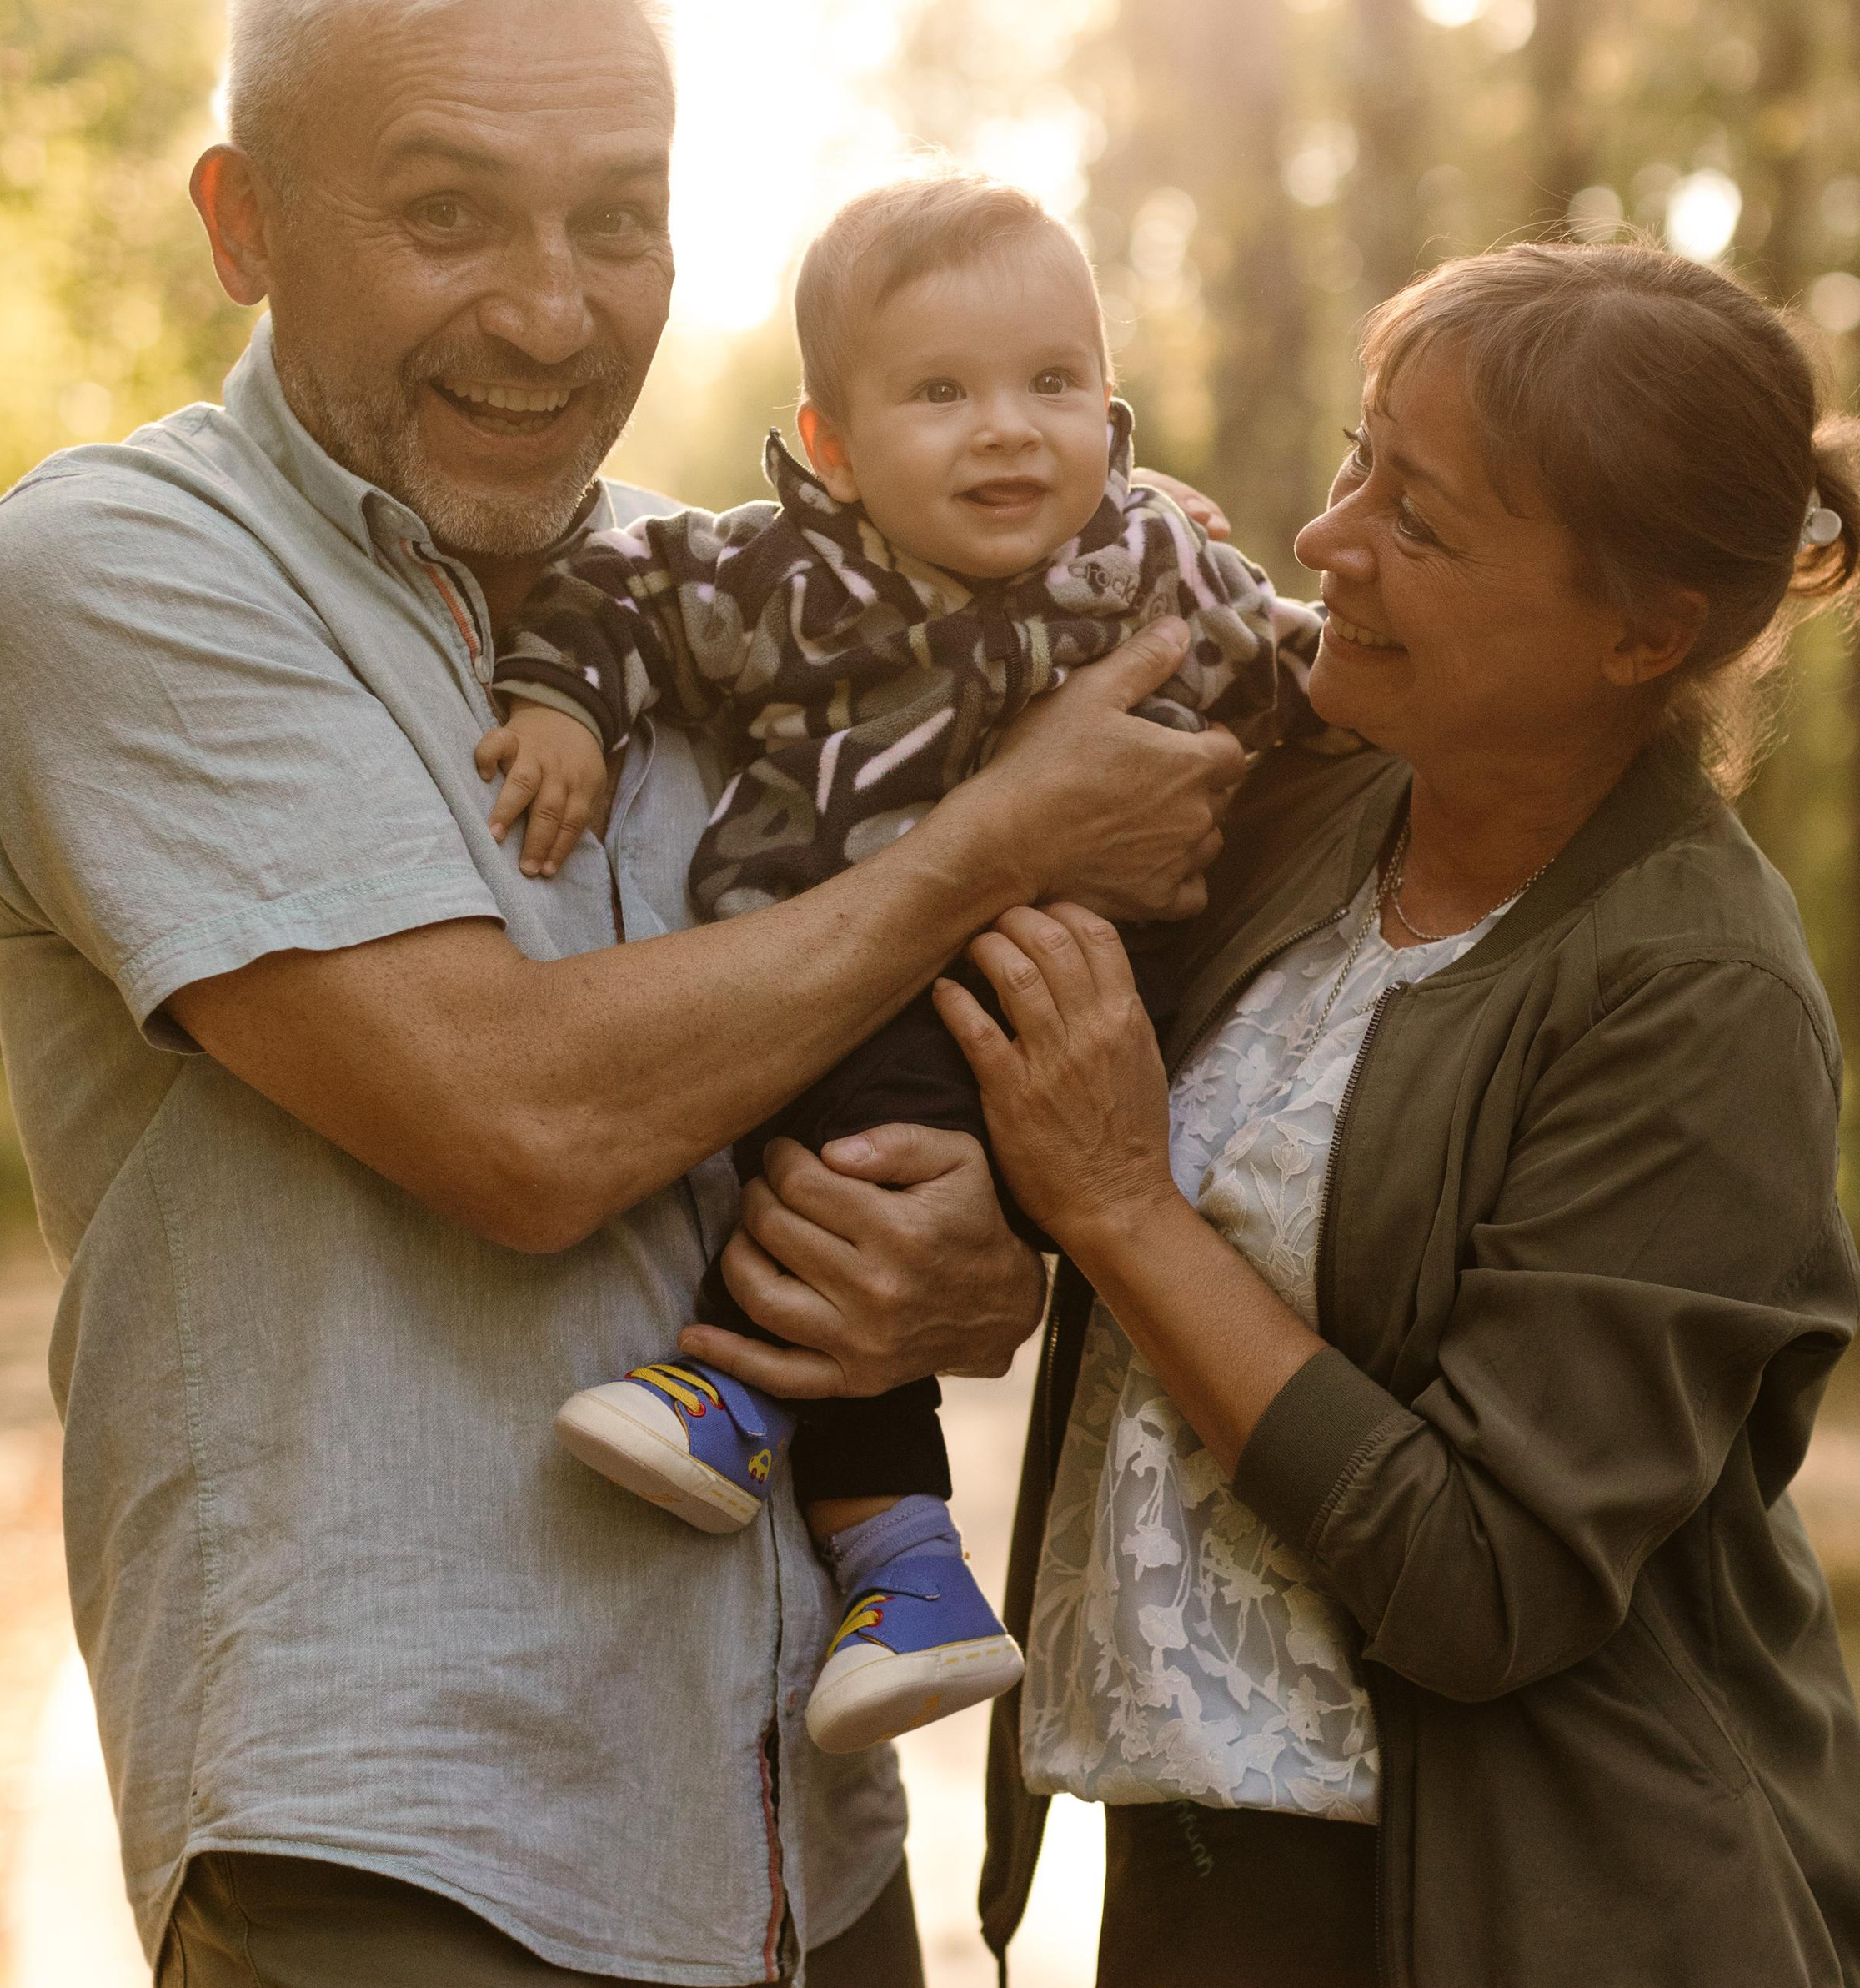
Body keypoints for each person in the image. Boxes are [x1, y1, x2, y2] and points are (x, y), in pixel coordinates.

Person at [0, 0, 1244, 1988]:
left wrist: (977, 1249)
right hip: (395, 1834)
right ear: (244, 219)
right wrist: (988, 832)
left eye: (618, 221)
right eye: (449, 215)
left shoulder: (729, 603)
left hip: (791, 1844)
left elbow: (873, 1087)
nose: (553, 311)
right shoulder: (123, 577)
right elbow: (519, 1119)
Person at [949, 240, 1860, 1988]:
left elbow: (1490, 1577)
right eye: (1351, 467)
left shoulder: (1691, 995)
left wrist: (1122, 1210)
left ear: (1638, 633)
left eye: (1421, 514)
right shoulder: (1316, 812)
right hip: (1203, 1955)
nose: (1330, 545)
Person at [475, 168, 1322, 1755]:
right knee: (855, 1163)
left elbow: (1316, 682)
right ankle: (905, 1574)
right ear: (833, 446)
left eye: (1051, 385)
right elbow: (620, 592)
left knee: (891, 1163)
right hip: (830, 995)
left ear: (1111, 408)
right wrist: (562, 708)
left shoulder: (1160, 568)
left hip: (1078, 1021)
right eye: (941, 393)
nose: (1008, 429)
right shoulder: (790, 577)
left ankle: (738, 1400)